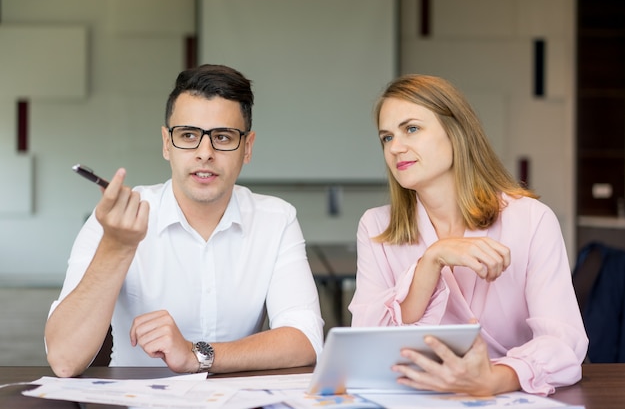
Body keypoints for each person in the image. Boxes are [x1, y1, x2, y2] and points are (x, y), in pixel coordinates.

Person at [45, 64, 324, 378]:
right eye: (188, 135)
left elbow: (306, 340)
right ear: (167, 143)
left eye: (223, 136)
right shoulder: (115, 222)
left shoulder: (277, 219)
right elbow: (64, 359)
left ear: (247, 147)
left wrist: (196, 355)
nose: (205, 153)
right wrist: (116, 247)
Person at [348, 74, 588, 396]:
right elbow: (367, 347)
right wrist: (431, 261)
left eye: (412, 129)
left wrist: (494, 378)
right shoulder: (376, 227)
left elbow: (564, 341)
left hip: (506, 398)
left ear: (456, 132)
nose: (396, 148)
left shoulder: (531, 220)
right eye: (386, 137)